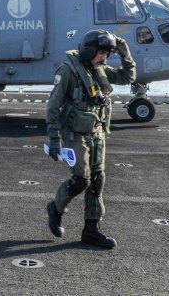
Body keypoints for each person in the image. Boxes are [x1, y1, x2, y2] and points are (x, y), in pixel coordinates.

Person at [45, 29, 136, 249]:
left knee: (97, 180)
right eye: (101, 53)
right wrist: (54, 139)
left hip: (97, 130)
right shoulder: (68, 70)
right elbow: (53, 106)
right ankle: (56, 207)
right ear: (89, 50)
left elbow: (128, 77)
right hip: (75, 132)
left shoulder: (100, 69)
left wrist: (124, 52)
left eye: (107, 54)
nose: (104, 57)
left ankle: (91, 230)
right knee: (81, 179)